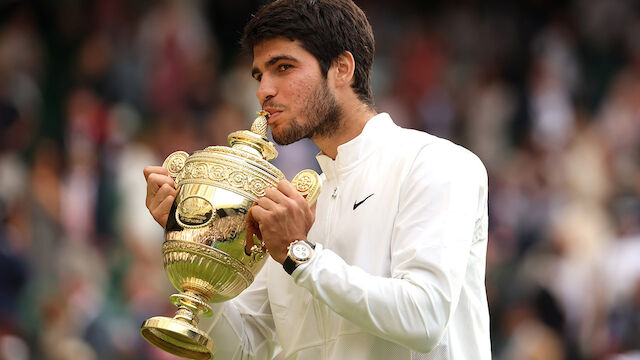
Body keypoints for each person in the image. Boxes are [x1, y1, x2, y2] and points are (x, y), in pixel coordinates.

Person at [143, 0, 491, 358]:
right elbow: (244, 349)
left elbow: (424, 317)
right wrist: (197, 241)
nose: (264, 90)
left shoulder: (437, 163)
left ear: (342, 68)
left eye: (283, 67)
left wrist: (300, 255)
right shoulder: (294, 204)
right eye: (259, 75)